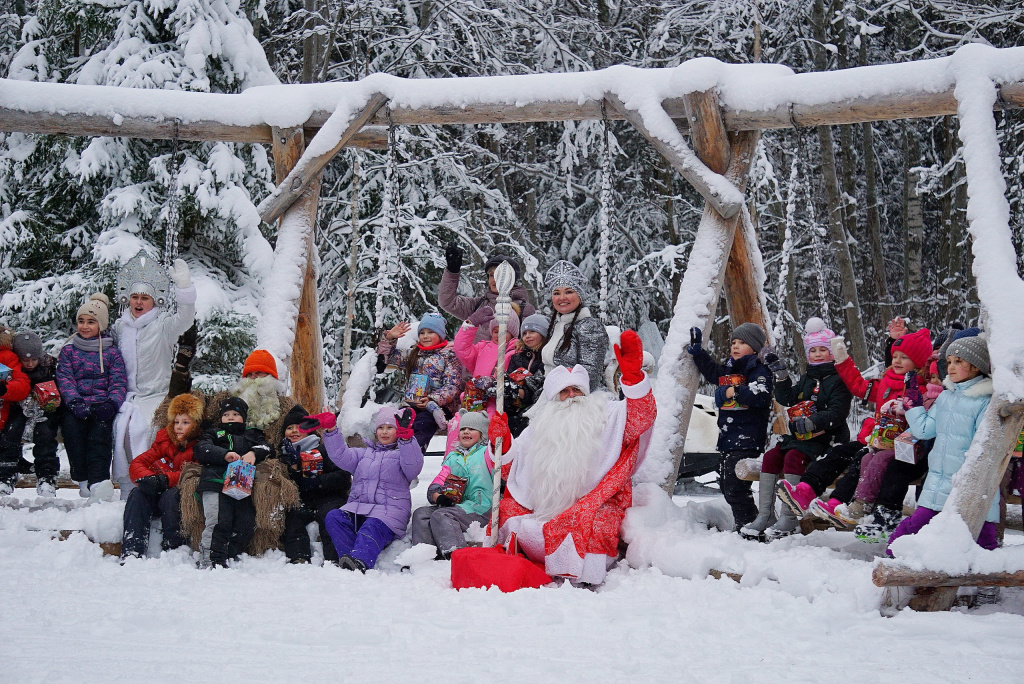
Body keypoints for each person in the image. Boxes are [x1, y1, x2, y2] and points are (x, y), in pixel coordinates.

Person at [490, 330, 655, 585]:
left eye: (576, 390)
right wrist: (503, 444)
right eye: (564, 391)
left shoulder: (606, 415)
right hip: (543, 507)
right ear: (553, 398)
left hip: (595, 501)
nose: (571, 396)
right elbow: (510, 470)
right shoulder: (539, 426)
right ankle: (518, 558)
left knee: (596, 521)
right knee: (506, 510)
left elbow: (640, 417)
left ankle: (584, 574)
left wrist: (633, 379)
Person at [779, 326, 931, 527]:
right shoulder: (885, 383)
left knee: (859, 461)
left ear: (918, 362)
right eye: (895, 356)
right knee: (839, 453)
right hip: (873, 439)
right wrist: (842, 359)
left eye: (904, 358)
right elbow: (858, 385)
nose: (896, 361)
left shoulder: (921, 390)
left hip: (897, 447)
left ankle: (837, 503)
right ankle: (806, 490)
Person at [740, 318, 852, 540]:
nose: (817, 355)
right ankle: (765, 515)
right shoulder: (808, 377)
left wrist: (813, 422)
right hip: (803, 436)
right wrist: (781, 376)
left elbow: (838, 412)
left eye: (823, 350)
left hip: (828, 438)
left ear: (831, 353)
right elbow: (787, 398)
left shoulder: (839, 380)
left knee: (793, 457)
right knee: (771, 457)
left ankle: (789, 518)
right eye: (813, 351)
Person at [888, 336, 996, 553]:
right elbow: (924, 430)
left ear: (976, 366)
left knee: (982, 539)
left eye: (958, 361)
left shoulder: (985, 402)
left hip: (969, 485)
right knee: (911, 529)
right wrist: (912, 400)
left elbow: (983, 447)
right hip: (937, 483)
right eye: (949, 362)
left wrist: (969, 477)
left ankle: (987, 575)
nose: (951, 367)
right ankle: (891, 562)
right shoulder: (946, 397)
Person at [111, 252, 196, 499]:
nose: (139, 302)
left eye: (145, 298)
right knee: (119, 429)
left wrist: (184, 288)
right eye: (135, 297)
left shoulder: (163, 325)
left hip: (156, 395)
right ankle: (126, 489)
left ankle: (151, 486)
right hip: (126, 396)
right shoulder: (119, 327)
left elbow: (186, 319)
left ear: (154, 301)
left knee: (148, 430)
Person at [686, 322, 773, 532]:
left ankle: (750, 527)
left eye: (742, 342)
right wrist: (698, 353)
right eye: (733, 342)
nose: (735, 346)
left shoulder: (758, 369)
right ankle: (749, 525)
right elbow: (712, 371)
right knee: (727, 487)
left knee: (736, 488)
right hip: (728, 438)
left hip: (747, 438)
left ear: (755, 347)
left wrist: (732, 392)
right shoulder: (729, 367)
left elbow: (761, 395)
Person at [321, 406, 424, 572]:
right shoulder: (363, 454)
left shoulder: (402, 455)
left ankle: (361, 561)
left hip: (388, 513)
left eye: (390, 427)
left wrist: (406, 439)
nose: (385, 432)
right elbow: (340, 455)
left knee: (372, 525)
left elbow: (413, 466)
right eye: (381, 427)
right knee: (334, 517)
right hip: (358, 509)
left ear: (398, 430)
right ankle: (349, 558)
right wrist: (332, 430)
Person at [56, 294, 128, 501]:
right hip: (76, 404)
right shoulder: (69, 351)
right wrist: (74, 401)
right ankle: (82, 478)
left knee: (100, 439)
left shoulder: (112, 353)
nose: (85, 326)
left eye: (91, 322)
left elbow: (118, 381)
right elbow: (65, 378)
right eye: (81, 321)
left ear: (101, 325)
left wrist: (112, 403)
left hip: (102, 404)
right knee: (74, 435)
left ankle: (98, 482)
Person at [120, 394, 204, 560]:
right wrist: (150, 479)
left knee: (171, 496)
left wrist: (165, 480)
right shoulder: (164, 440)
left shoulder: (200, 446)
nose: (179, 427)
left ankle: (174, 548)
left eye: (185, 423)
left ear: (195, 424)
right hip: (158, 489)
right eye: (176, 422)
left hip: (182, 497)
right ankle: (132, 548)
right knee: (137, 494)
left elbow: (195, 472)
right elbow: (137, 463)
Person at [193, 397, 272, 568]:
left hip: (241, 484)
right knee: (218, 520)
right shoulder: (213, 433)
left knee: (246, 523)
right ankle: (211, 559)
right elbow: (201, 449)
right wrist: (224, 454)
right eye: (226, 414)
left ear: (243, 417)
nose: (230, 417)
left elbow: (267, 448)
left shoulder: (252, 434)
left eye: (236, 414)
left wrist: (253, 453)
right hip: (215, 482)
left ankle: (228, 553)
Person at [411, 410, 494, 559]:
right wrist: (438, 496)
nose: (466, 432)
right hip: (459, 506)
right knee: (421, 514)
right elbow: (440, 480)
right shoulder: (453, 457)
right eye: (463, 429)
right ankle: (425, 554)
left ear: (482, 433)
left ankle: (455, 554)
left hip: (480, 507)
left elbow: (503, 455)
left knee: (442, 515)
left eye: (472, 429)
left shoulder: (487, 453)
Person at [278, 405, 351, 564]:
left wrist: (318, 481)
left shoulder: (325, 449)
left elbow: (344, 477)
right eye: (289, 428)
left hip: (329, 498)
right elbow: (289, 486)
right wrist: (294, 468)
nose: (294, 431)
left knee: (330, 517)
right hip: (303, 501)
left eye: (299, 427)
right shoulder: (282, 455)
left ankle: (335, 559)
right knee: (292, 517)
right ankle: (299, 557)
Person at [378, 314, 462, 451]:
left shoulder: (449, 356)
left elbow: (453, 386)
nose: (425, 336)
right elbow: (389, 357)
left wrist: (432, 399)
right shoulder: (414, 354)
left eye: (430, 332)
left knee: (422, 423)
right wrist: (390, 338)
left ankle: (413, 453)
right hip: (412, 403)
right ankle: (393, 455)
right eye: (422, 333)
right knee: (398, 422)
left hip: (436, 407)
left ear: (440, 335)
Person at [197, 349, 298, 449]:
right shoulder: (226, 400)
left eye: (258, 373)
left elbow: (301, 432)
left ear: (270, 376)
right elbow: (198, 409)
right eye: (249, 374)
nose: (253, 378)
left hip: (271, 456)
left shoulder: (286, 406)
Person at [439, 245, 535, 343]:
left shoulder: (524, 309)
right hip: (474, 353)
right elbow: (448, 302)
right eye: (491, 275)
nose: (494, 279)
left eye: (499, 275)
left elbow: (529, 343)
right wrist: (452, 272)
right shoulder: (478, 304)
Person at [0, 330, 55, 496]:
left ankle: (47, 475)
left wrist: (53, 401)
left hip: (42, 409)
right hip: (17, 409)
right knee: (11, 432)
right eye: (26, 360)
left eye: (33, 359)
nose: (30, 364)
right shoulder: (16, 365)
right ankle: (7, 473)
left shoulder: (47, 368)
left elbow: (54, 390)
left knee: (45, 433)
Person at [541, 260, 608, 391]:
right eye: (556, 293)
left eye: (568, 292)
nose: (562, 297)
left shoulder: (589, 327)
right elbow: (547, 371)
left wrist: (561, 391)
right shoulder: (557, 326)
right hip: (551, 393)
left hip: (575, 397)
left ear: (579, 295)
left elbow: (590, 376)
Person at [453, 307, 519, 415]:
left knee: (488, 421)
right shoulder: (482, 348)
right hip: (474, 399)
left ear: (512, 334)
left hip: (497, 403)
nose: (499, 335)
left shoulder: (515, 351)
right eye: (496, 331)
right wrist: (471, 324)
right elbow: (462, 349)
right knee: (461, 422)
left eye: (503, 331)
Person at [505, 313, 548, 436]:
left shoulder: (546, 358)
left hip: (534, 406)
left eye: (532, 332)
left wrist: (522, 391)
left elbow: (539, 385)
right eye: (524, 333)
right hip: (514, 405)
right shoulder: (517, 358)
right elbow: (511, 376)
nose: (527, 336)